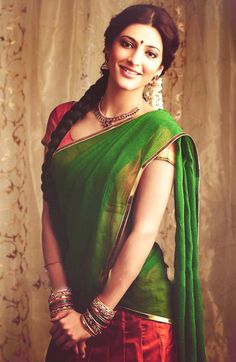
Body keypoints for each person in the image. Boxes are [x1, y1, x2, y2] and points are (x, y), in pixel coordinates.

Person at [41, 4, 206, 362]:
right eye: (127, 44)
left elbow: (144, 233)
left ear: (160, 68)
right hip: (74, 302)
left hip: (135, 312)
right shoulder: (62, 118)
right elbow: (51, 211)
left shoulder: (159, 132)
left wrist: (93, 319)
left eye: (150, 53)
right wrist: (61, 302)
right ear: (108, 47)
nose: (135, 59)